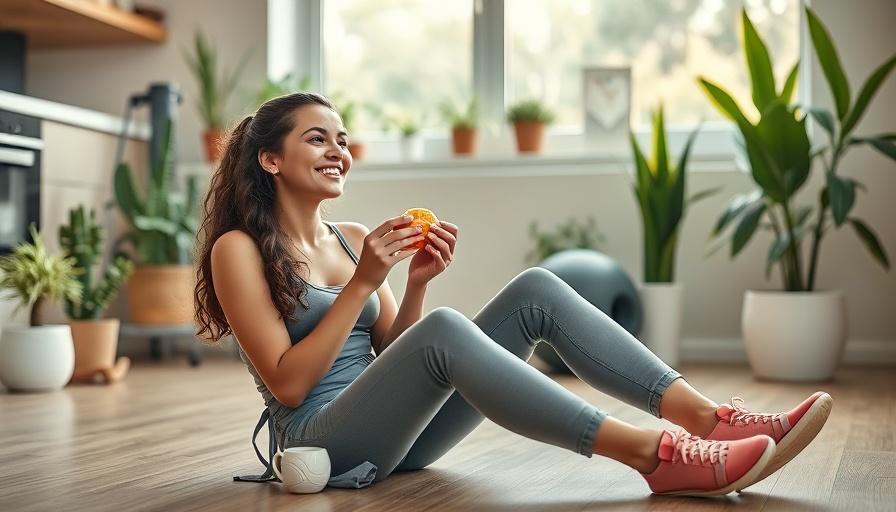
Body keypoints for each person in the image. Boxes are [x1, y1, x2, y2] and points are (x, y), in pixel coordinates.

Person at [193, 92, 832, 498]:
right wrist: (364, 281)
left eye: (341, 139)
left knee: (534, 290)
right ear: (270, 160)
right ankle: (653, 456)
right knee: (445, 331)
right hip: (319, 442)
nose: (338, 152)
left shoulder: (351, 235)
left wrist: (411, 288)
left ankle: (704, 419)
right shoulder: (238, 250)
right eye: (316, 138)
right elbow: (288, 385)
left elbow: (393, 352)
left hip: (395, 435)